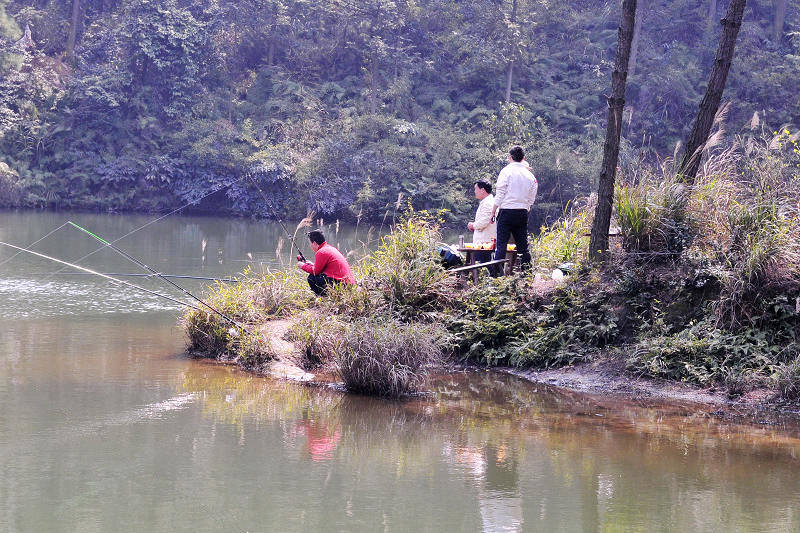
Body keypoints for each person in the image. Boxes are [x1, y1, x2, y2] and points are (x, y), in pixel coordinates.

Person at [491, 146, 537, 273]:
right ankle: (527, 274)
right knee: (523, 247)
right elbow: (531, 198)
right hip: (522, 212)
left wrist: (493, 211)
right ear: (523, 158)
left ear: (510, 157)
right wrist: (525, 209)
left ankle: (496, 277)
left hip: (506, 211)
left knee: (501, 246)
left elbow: (500, 193)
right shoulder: (530, 176)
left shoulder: (506, 171)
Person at [297, 230, 355, 295]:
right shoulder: (329, 248)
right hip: (348, 284)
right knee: (318, 277)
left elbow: (315, 271)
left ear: (314, 243)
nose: (310, 246)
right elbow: (327, 268)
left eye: (310, 244)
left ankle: (323, 297)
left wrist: (302, 266)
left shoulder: (321, 252)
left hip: (342, 285)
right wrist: (312, 265)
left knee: (312, 278)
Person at [467, 180, 496, 264]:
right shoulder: (488, 202)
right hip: (484, 241)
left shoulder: (488, 203)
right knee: (483, 264)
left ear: (482, 190)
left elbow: (484, 221)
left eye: (475, 189)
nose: (474, 191)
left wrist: (473, 225)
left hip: (484, 242)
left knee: (482, 265)